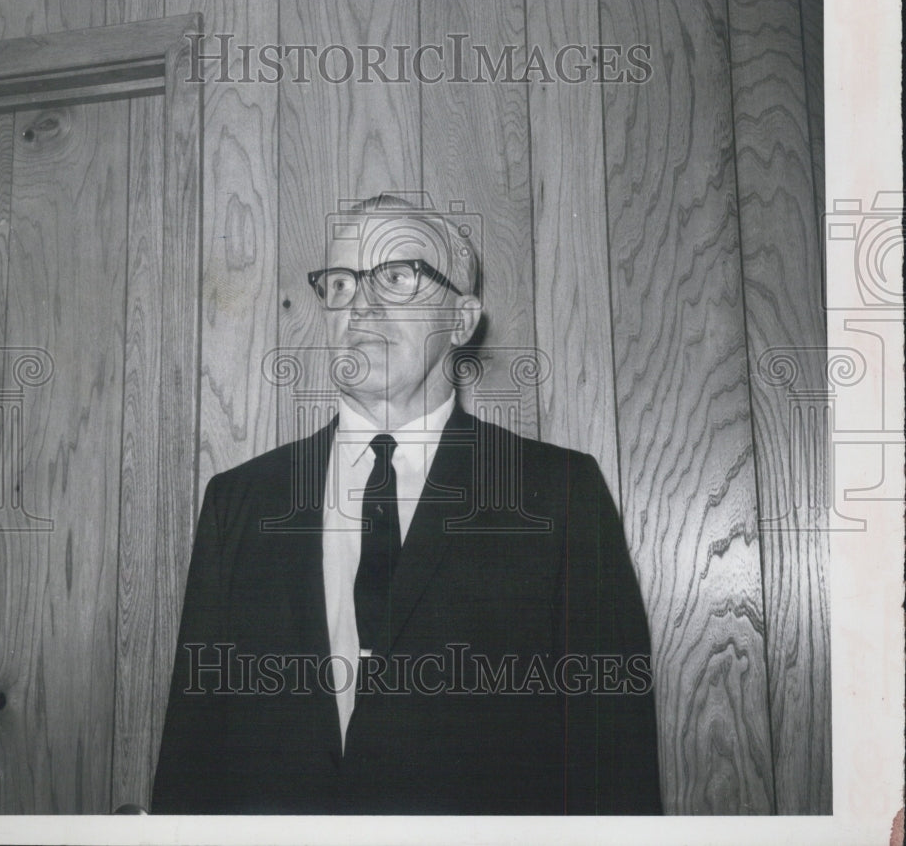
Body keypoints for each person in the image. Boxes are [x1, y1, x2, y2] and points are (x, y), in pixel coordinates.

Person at [150, 194, 662, 815]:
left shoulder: (560, 496)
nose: (359, 304)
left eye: (396, 276)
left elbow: (613, 771)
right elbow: (190, 760)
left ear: (462, 319)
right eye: (341, 283)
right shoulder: (238, 502)